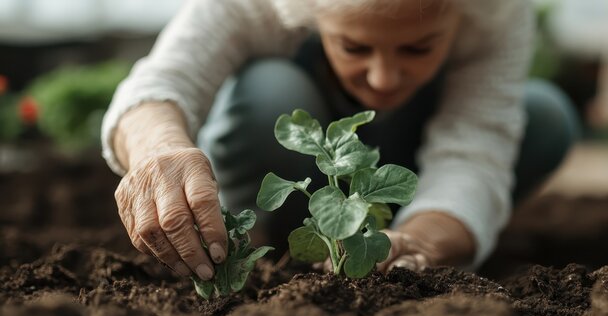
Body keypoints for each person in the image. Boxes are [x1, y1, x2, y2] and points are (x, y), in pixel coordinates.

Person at [102, 0, 579, 281]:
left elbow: (475, 149)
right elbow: (160, 85)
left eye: (417, 47)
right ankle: (263, 247)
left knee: (543, 115)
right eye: (354, 46)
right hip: (281, 164)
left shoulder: (496, 13)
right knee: (271, 91)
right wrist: (158, 149)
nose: (383, 77)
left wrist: (422, 241)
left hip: (409, 170)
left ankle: (390, 236)